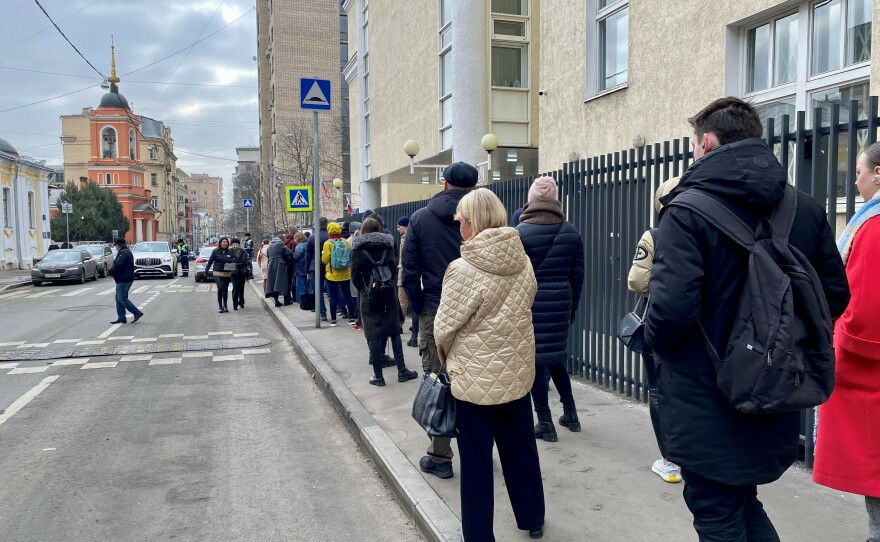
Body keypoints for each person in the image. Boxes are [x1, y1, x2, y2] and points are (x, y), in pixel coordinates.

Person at [644, 97, 850, 541]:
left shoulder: (684, 212)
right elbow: (834, 295)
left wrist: (662, 345)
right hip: (772, 386)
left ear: (709, 143)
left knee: (716, 512)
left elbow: (670, 313)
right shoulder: (804, 209)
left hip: (704, 394)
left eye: (696, 146)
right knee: (740, 501)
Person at [435, 188, 544, 541]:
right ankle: (533, 518)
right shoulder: (522, 260)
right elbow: (528, 302)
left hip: (475, 381)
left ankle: (479, 535)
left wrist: (450, 360)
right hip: (516, 372)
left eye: (462, 222)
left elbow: (444, 328)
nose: (460, 228)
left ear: (473, 222)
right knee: (521, 451)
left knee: (478, 465)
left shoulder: (462, 268)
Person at [813, 141, 880, 542]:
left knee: (872, 461)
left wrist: (837, 335)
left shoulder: (873, 226)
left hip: (868, 371)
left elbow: (864, 307)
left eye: (858, 172)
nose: (854, 182)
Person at [402, 161, 478, 480]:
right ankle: (478, 451)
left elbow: (409, 275)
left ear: (444, 183)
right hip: (477, 309)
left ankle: (440, 456)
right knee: (476, 378)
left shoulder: (420, 219)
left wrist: (422, 308)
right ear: (474, 186)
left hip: (436, 309)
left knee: (439, 378)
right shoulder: (483, 216)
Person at [516, 176, 585, 443]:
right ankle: (572, 414)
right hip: (560, 304)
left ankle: (544, 422)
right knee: (556, 358)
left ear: (532, 199)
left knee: (534, 362)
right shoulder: (571, 232)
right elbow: (577, 276)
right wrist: (572, 309)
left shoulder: (519, 232)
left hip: (530, 305)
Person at [626, 177, 683, 484]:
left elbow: (636, 281)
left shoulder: (655, 235)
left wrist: (662, 290)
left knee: (659, 390)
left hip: (660, 321)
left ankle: (670, 460)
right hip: (699, 327)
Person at [351, 217, 419, 386]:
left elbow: (354, 275)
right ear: (379, 229)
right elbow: (393, 266)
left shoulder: (358, 248)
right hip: (388, 292)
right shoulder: (387, 245)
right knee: (394, 330)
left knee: (373, 334)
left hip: (369, 294)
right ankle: (402, 370)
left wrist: (365, 288)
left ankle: (378, 376)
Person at [320, 222, 357, 326]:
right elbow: (350, 256)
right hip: (345, 273)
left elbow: (325, 259)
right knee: (347, 295)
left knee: (333, 296)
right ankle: (351, 318)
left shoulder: (328, 243)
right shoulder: (345, 242)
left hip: (332, 274)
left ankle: (333, 320)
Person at [108, 238, 143, 324]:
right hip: (123, 278)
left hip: (124, 279)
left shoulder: (123, 253)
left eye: (116, 246)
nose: (116, 247)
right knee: (118, 298)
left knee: (122, 298)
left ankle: (136, 312)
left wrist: (111, 271)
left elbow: (119, 264)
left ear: (118, 245)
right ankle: (121, 317)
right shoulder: (125, 252)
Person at [396, 216, 419, 348]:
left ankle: (398, 325)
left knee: (402, 301)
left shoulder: (405, 238)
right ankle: (415, 332)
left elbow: (405, 258)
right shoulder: (417, 235)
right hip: (416, 274)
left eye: (399, 226)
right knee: (415, 304)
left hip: (405, 273)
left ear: (405, 226)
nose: (398, 229)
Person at [306, 217, 330, 320]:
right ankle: (341, 309)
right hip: (330, 265)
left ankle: (323, 313)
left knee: (318, 290)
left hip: (315, 265)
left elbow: (308, 255)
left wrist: (307, 270)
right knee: (333, 288)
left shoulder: (312, 237)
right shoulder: (330, 237)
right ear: (326, 224)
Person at [206, 237, 237, 313]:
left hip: (226, 272)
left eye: (226, 242)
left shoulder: (230, 252)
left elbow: (234, 260)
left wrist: (232, 261)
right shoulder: (215, 251)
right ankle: (220, 306)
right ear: (220, 243)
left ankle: (225, 306)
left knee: (225, 289)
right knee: (220, 288)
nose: (225, 243)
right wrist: (206, 271)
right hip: (217, 271)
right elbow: (210, 261)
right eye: (224, 242)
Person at [265, 236, 294, 308]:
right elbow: (289, 252)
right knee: (283, 282)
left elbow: (268, 255)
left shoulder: (270, 245)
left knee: (274, 283)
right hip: (280, 264)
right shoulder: (280, 244)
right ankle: (286, 300)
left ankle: (276, 301)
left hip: (271, 264)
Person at [229, 238, 251, 310]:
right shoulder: (229, 252)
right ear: (231, 245)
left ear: (239, 245)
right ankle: (235, 304)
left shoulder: (243, 252)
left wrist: (247, 268)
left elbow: (248, 261)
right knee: (235, 287)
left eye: (236, 244)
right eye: (233, 244)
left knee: (241, 288)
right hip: (234, 273)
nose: (235, 246)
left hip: (242, 272)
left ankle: (241, 302)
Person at [292, 232, 309, 306]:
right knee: (309, 284)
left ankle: (301, 300)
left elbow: (296, 257)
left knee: (301, 285)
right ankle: (309, 299)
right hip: (308, 268)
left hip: (300, 268)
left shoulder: (299, 246)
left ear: (297, 238)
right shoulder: (308, 244)